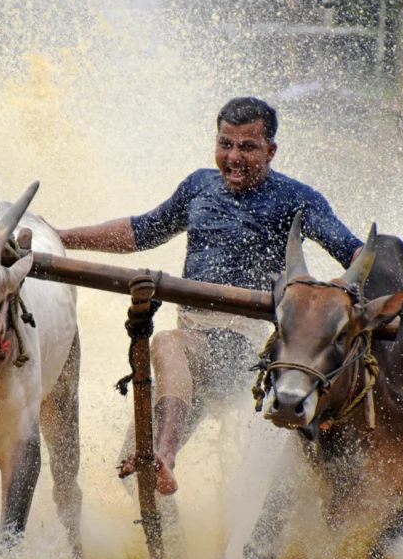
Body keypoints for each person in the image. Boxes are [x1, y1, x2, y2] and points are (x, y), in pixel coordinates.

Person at [57, 96, 363, 496]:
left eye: (248, 147)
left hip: (250, 350)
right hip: (192, 357)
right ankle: (175, 548)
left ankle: (164, 456)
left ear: (271, 151)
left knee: (166, 343)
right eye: (226, 145)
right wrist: (61, 237)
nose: (234, 157)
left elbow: (352, 252)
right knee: (133, 472)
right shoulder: (199, 186)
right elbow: (141, 231)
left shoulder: (297, 199)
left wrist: (391, 269)